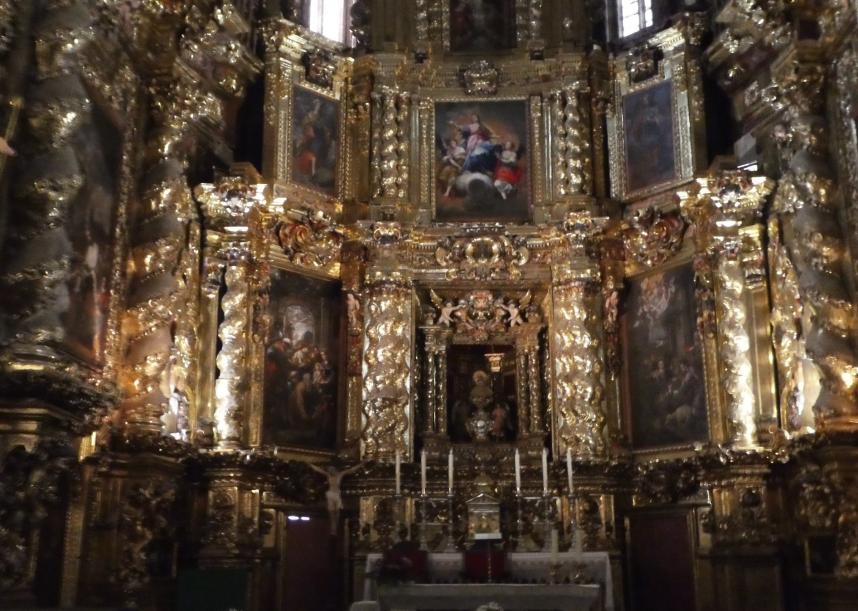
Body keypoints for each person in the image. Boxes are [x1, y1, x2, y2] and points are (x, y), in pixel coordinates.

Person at [308, 462, 365, 535]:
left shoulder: (340, 475)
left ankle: (335, 530)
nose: (330, 471)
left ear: (335, 470)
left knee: (337, 514)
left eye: (331, 470)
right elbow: (319, 470)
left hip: (336, 495)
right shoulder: (328, 475)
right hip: (330, 494)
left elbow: (351, 470)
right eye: (329, 470)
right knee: (332, 514)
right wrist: (311, 465)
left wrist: (361, 464)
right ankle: (333, 531)